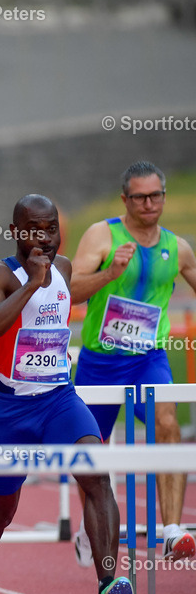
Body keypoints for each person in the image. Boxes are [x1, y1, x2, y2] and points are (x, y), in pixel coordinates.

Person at [0, 194, 132, 594]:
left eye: (50, 228)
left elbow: (72, 292)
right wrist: (31, 285)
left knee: (96, 473)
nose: (44, 238)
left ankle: (107, 584)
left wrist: (108, 275)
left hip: (57, 398)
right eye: (34, 229)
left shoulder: (66, 269)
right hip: (10, 409)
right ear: (15, 231)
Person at [71, 161, 196, 566]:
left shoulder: (178, 248)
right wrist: (110, 273)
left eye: (155, 195)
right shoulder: (102, 235)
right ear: (125, 199)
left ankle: (173, 531)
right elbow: (69, 291)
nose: (148, 203)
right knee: (91, 451)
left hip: (148, 359)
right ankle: (94, 529)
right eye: (139, 196)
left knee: (167, 422)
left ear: (164, 196)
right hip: (100, 362)